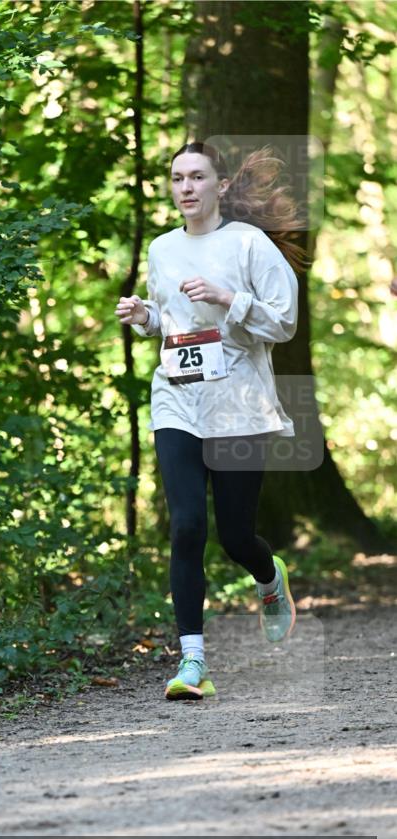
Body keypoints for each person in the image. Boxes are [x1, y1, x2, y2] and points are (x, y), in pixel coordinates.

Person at [115, 141, 308, 701]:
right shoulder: (162, 249)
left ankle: (269, 577)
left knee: (235, 536)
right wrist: (144, 315)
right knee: (185, 527)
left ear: (220, 186)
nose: (186, 187)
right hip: (178, 401)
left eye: (197, 177)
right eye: (178, 178)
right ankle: (192, 661)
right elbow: (169, 320)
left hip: (238, 404)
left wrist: (229, 298)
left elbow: (285, 322)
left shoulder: (248, 243)